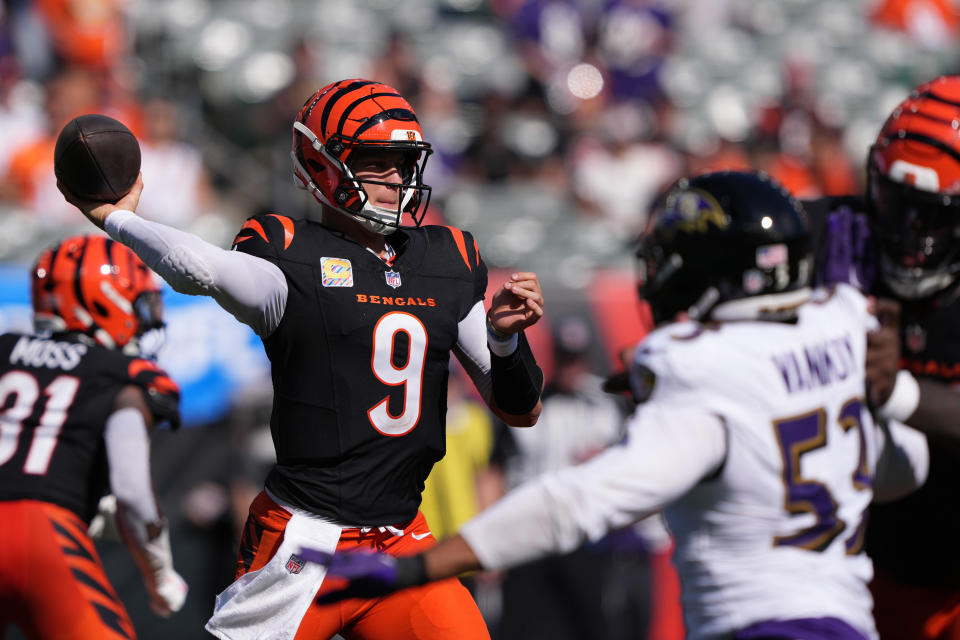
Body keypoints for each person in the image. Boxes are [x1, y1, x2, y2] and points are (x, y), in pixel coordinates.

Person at [302, 171, 932, 640]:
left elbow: (578, 503)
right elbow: (907, 469)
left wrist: (421, 570)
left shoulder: (703, 367)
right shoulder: (838, 332)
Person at [59, 78, 546, 640]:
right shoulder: (289, 254)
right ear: (322, 165)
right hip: (303, 540)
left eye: (403, 162)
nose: (395, 178)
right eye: (374, 161)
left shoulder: (448, 260)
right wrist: (119, 219)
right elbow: (204, 270)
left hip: (399, 538)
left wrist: (506, 340)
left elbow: (521, 409)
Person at [806, 74, 960, 640]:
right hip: (851, 567)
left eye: (936, 214)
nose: (911, 232)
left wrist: (898, 392)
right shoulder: (827, 237)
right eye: (899, 205)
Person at [0, 234, 187, 640]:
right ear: (108, 300)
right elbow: (132, 489)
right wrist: (160, 575)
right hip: (42, 532)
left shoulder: (5, 349)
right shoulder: (119, 375)